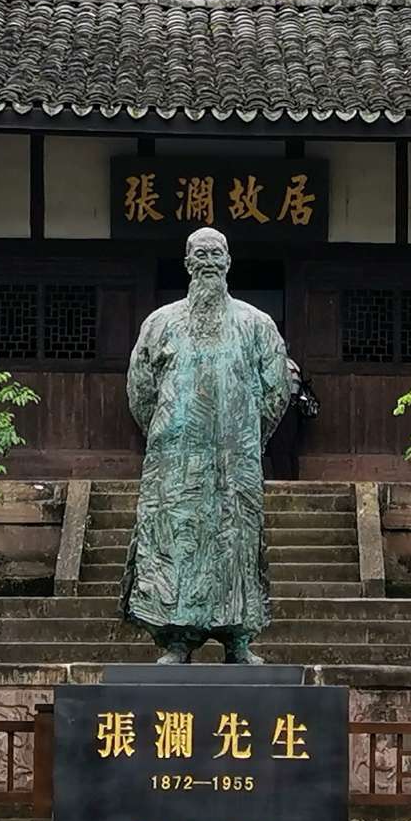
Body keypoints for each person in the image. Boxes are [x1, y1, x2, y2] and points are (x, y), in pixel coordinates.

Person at [122, 227, 289, 662]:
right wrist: (167, 437)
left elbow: (276, 392)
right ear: (187, 262)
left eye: (217, 254)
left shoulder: (257, 325)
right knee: (173, 544)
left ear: (229, 262)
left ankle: (238, 639)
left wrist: (247, 436)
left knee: (237, 546)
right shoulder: (161, 324)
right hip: (176, 464)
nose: (209, 261)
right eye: (201, 254)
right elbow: (140, 392)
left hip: (236, 463)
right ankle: (175, 640)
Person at [263, 356, 321, 481]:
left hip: (283, 410)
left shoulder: (279, 365)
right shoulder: (293, 365)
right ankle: (292, 480)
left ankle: (283, 482)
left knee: (280, 448)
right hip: (293, 411)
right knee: (290, 449)